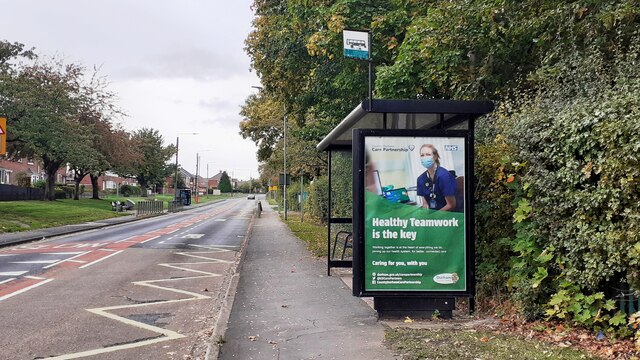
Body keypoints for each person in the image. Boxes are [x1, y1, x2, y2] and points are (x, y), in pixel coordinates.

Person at [416, 144, 458, 211]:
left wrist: (435, 218)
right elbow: (425, 204)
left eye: (428, 154)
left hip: (447, 216)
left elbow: (451, 205)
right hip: (431, 215)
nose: (425, 157)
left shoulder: (444, 176)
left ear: (435, 156)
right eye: (422, 155)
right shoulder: (420, 179)